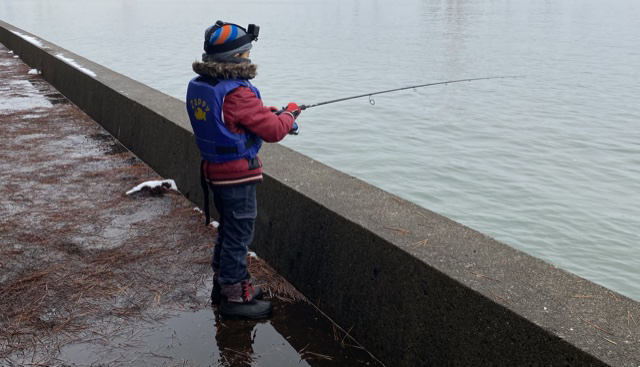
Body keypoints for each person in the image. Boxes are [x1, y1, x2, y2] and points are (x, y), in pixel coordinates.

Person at [186, 20, 301, 319]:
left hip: (215, 172)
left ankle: (224, 285)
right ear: (236, 58)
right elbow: (274, 131)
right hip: (236, 177)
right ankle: (235, 299)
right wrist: (289, 113)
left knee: (228, 231)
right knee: (239, 235)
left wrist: (270, 113)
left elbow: (237, 119)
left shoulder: (207, 84)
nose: (249, 58)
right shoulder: (238, 93)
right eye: (247, 54)